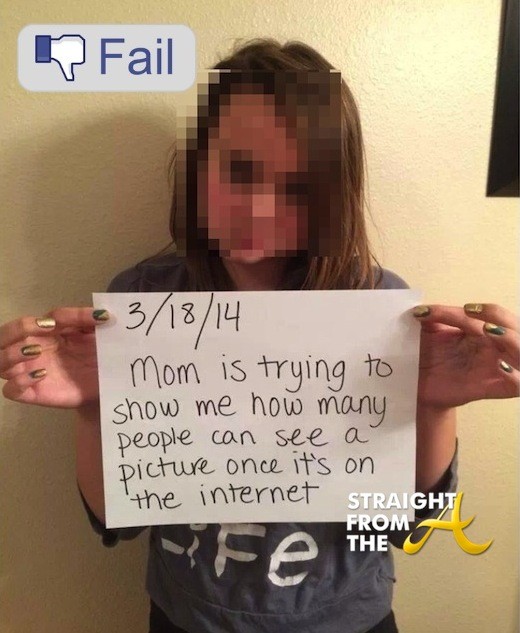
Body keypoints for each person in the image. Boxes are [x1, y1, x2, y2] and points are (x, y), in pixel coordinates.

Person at [1, 38, 518, 633]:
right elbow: (117, 517)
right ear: (197, 166)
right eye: (239, 171)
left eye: (298, 188)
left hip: (343, 619)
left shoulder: (379, 310)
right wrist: (94, 406)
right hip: (189, 616)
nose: (260, 208)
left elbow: (408, 525)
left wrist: (434, 407)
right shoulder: (141, 302)